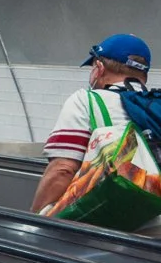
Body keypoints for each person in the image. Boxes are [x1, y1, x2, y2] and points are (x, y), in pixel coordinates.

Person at [32, 33, 151, 215]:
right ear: (145, 76)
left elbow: (62, 170)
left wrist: (32, 221)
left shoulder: (86, 100)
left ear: (99, 68)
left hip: (116, 223)